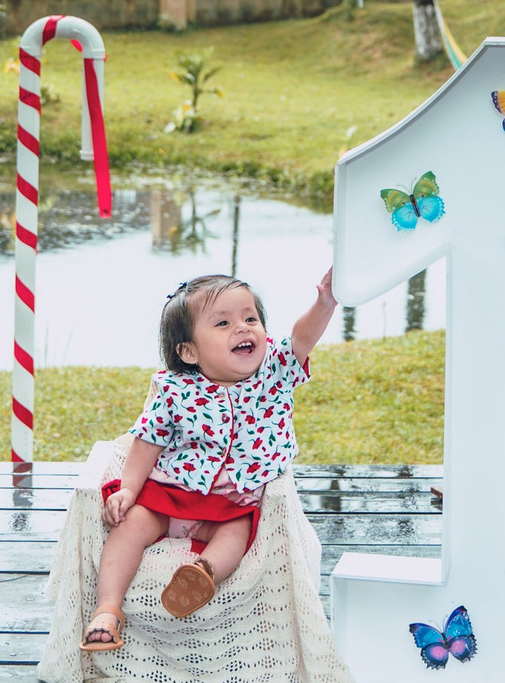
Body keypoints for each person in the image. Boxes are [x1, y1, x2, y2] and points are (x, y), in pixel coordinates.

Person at [80, 266, 334, 652]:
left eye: (251, 319)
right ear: (189, 351)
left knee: (236, 535)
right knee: (129, 527)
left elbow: (303, 336)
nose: (243, 328)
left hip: (233, 501)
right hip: (172, 492)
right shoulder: (174, 389)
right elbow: (147, 442)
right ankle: (107, 610)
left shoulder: (274, 372)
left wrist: (325, 303)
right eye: (223, 323)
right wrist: (129, 490)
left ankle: (201, 574)